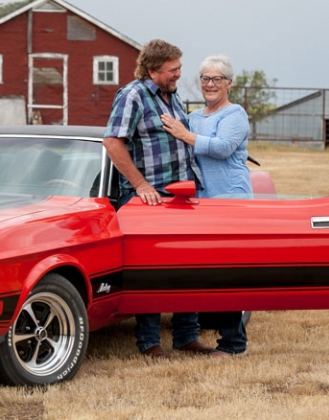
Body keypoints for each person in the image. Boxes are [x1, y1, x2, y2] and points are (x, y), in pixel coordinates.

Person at [103, 39, 213, 359]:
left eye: (179, 68)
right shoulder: (133, 95)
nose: (180, 74)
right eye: (173, 70)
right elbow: (112, 142)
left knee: (189, 268)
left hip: (183, 195)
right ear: (152, 70)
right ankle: (150, 344)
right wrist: (140, 185)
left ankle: (186, 337)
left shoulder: (172, 96)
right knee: (151, 271)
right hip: (152, 199)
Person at [160, 54, 251, 357]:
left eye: (216, 79)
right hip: (201, 205)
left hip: (231, 203)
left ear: (229, 83)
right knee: (203, 272)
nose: (210, 85)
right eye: (205, 79)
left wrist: (185, 135)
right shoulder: (196, 116)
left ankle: (233, 344)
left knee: (228, 275)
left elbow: (224, 148)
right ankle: (190, 333)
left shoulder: (235, 114)